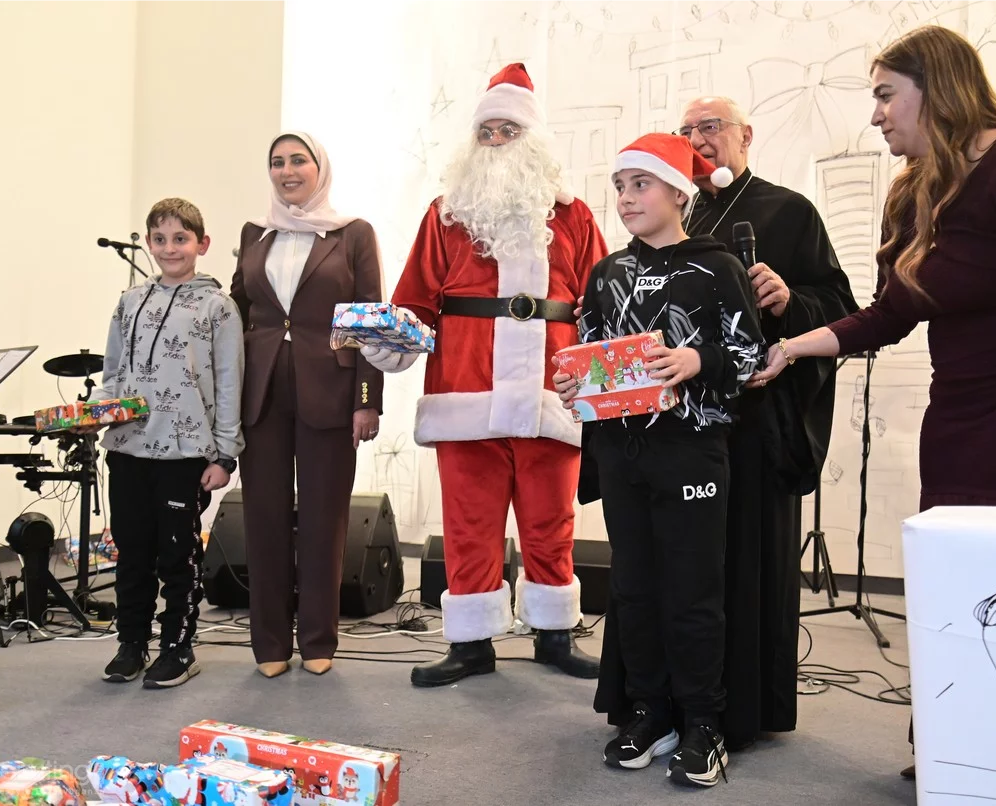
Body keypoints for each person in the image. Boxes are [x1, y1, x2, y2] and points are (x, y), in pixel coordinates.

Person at [752, 25, 996, 779]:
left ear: (937, 88)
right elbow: (888, 314)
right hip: (961, 400)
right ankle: (956, 742)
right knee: (957, 573)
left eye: (887, 95)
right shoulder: (914, 189)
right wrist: (792, 346)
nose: (877, 114)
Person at [590, 95, 859, 750]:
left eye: (710, 127)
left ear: (745, 135)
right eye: (687, 130)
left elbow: (842, 309)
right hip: (645, 440)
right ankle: (650, 706)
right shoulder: (634, 247)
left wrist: (789, 301)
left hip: (741, 428)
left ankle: (720, 718)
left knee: (706, 584)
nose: (698, 138)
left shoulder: (788, 211)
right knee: (644, 578)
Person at [363, 63, 607, 688]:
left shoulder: (573, 216)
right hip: (465, 393)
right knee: (470, 524)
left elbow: (605, 302)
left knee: (551, 523)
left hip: (553, 394)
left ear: (533, 141)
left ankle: (553, 634)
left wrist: (606, 379)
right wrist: (391, 338)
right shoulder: (445, 215)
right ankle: (470, 643)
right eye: (487, 132)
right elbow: (414, 299)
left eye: (508, 130)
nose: (496, 142)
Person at [557, 133, 763, 788]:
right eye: (619, 186)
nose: (625, 198)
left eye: (640, 185)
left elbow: (753, 356)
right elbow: (591, 353)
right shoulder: (607, 272)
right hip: (623, 451)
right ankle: (649, 712)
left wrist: (697, 359)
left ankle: (704, 722)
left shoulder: (718, 267)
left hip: (692, 451)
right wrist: (575, 385)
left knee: (693, 592)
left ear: (678, 191)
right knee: (634, 588)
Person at [230, 131, 386, 679]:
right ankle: (269, 644)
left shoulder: (352, 234)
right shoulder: (256, 234)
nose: (287, 170)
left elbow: (369, 321)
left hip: (333, 395)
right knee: (264, 520)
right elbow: (235, 312)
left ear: (319, 167)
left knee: (326, 521)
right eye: (277, 162)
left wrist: (367, 400)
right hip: (262, 393)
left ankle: (319, 637)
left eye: (298, 160)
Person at [97, 197, 244, 688]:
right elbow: (114, 370)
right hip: (128, 449)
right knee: (132, 552)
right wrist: (95, 412)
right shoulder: (129, 301)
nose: (169, 248)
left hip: (185, 453)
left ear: (202, 244)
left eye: (180, 238)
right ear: (149, 243)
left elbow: (229, 382)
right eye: (159, 239)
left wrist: (226, 453)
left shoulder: (218, 308)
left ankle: (178, 647)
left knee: (176, 556)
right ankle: (130, 643)